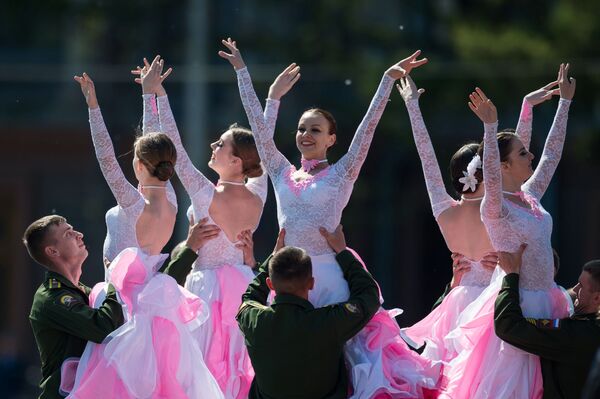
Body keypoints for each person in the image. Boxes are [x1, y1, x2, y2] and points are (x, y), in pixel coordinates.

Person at [221, 38, 439, 398]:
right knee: (289, 364)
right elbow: (260, 134)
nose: (306, 135)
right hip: (288, 281)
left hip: (330, 281)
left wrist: (385, 80)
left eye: (315, 130)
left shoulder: (342, 173)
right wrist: (250, 78)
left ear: (332, 139)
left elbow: (368, 128)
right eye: (302, 128)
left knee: (350, 364)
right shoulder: (280, 171)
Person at [440, 64, 576, 398]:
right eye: (522, 153)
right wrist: (490, 127)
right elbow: (492, 168)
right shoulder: (495, 207)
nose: (531, 155)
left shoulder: (530, 195)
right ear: (502, 166)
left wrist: (564, 104)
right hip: (521, 309)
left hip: (550, 304)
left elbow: (553, 154)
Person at [135, 55, 267, 399]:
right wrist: (259, 88)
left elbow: (174, 146)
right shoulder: (260, 193)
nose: (213, 145)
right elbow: (265, 139)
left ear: (236, 161)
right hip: (243, 287)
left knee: (199, 371)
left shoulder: (204, 192)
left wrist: (158, 95)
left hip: (206, 291)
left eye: (220, 144)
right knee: (237, 371)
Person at [237, 225, 380, 399]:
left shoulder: (255, 320)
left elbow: (249, 298)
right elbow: (368, 297)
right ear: (311, 283)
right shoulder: (328, 323)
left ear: (270, 284)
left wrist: (273, 258)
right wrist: (343, 253)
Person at [25, 215, 124, 399]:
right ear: (52, 251)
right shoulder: (51, 297)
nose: (79, 234)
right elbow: (102, 327)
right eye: (68, 233)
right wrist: (114, 282)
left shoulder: (83, 291)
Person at [494, 246, 600, 399]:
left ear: (597, 298)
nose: (575, 289)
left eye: (581, 286)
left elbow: (509, 325)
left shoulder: (577, 334)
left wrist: (511, 277)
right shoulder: (585, 329)